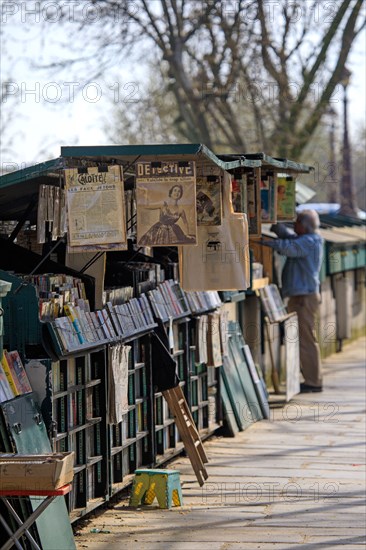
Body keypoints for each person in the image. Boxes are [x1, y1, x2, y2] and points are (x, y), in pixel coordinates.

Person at [262, 210, 324, 393]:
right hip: (301, 296)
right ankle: (311, 379)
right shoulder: (307, 239)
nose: (294, 226)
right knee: (304, 339)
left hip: (304, 298)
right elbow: (289, 237)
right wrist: (273, 224)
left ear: (304, 226)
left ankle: (313, 381)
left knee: (306, 340)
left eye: (297, 223)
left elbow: (289, 247)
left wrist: (266, 242)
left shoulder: (310, 241)